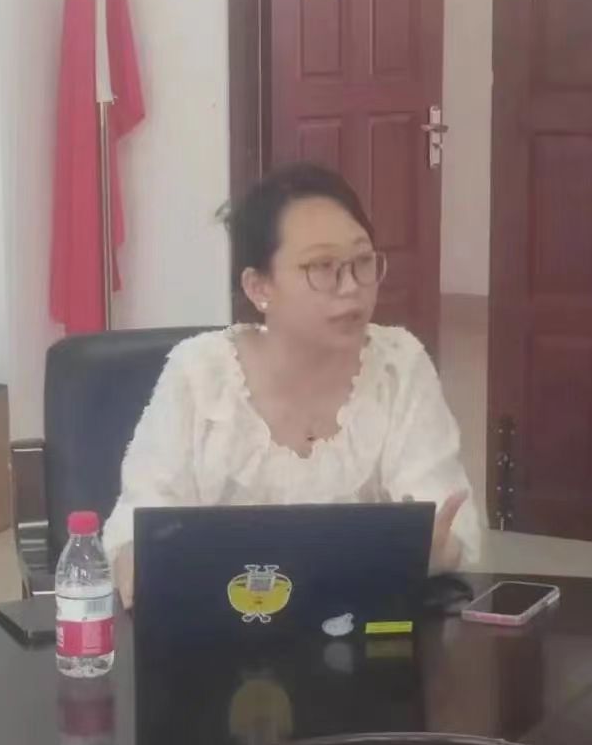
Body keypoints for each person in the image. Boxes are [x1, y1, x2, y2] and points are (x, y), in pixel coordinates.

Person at [102, 163, 481, 607]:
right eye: (322, 267)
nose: (351, 287)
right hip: (220, 628)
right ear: (259, 287)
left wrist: (433, 551)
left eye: (362, 262)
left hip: (364, 627)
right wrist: (137, 560)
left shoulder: (399, 366)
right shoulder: (199, 374)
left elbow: (449, 522)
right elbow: (136, 526)